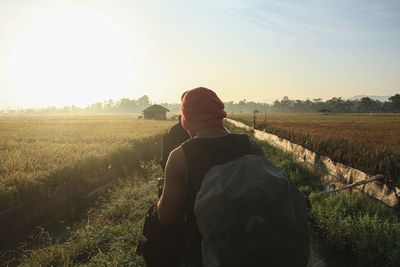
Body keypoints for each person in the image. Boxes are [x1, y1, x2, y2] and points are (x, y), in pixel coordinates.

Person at [157, 87, 263, 266]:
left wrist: (161, 196)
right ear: (220, 116)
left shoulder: (179, 157)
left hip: (199, 254)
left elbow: (166, 217)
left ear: (186, 120)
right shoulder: (251, 148)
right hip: (249, 251)